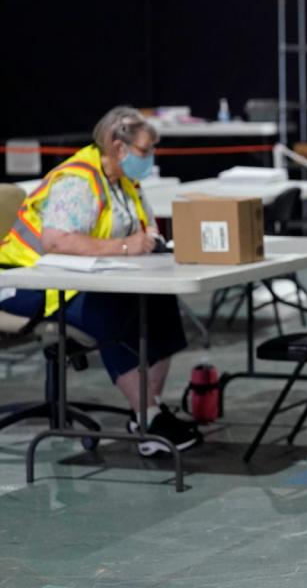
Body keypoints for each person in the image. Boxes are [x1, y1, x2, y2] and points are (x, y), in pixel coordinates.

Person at [0, 106, 202, 456]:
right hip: (27, 284)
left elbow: (145, 228)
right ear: (117, 146)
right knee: (112, 309)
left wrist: (150, 241)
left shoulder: (124, 182)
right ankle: (147, 416)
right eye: (143, 151)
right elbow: (56, 241)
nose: (149, 158)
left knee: (161, 301)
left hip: (82, 279)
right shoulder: (77, 181)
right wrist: (124, 247)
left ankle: (150, 412)